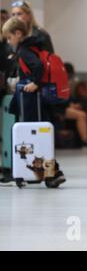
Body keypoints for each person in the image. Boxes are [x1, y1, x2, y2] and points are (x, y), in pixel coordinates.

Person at [2, 17, 65, 187]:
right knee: (38, 137)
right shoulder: (32, 46)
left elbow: (38, 66)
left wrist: (34, 83)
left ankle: (53, 173)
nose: (9, 41)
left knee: (34, 136)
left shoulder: (24, 50)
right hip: (34, 100)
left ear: (18, 33)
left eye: (9, 37)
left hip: (31, 101)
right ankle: (50, 173)